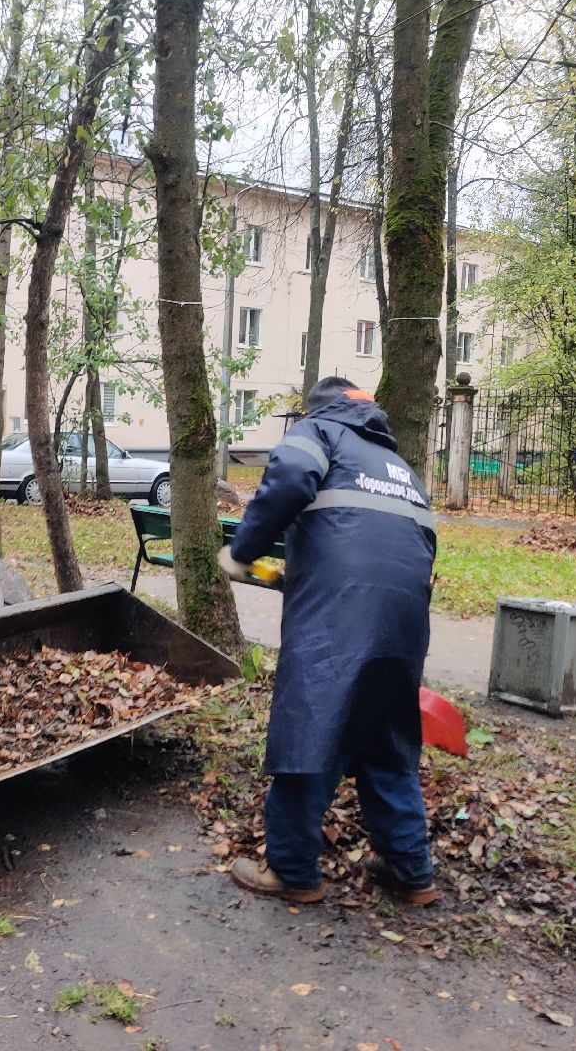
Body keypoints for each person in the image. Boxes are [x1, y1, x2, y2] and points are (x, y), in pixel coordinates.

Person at [217, 377, 439, 906]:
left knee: (312, 729)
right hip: (404, 617)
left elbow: (291, 475)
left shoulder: (320, 431)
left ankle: (293, 872)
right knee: (386, 739)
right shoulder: (398, 466)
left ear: (321, 410)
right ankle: (412, 873)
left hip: (339, 615)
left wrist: (243, 549)